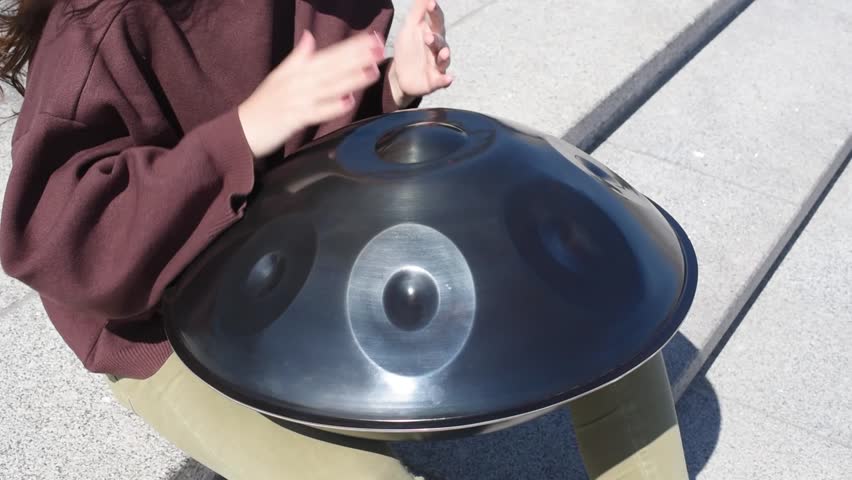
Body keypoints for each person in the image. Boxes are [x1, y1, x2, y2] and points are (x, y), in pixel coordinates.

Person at [0, 1, 689, 478]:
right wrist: (241, 131)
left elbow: (316, 146)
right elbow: (62, 242)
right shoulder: (102, 21)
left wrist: (393, 85)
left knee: (609, 321)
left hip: (276, 253)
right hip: (155, 316)